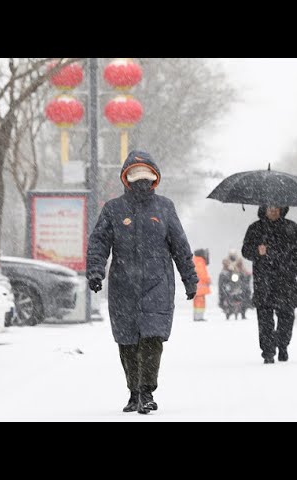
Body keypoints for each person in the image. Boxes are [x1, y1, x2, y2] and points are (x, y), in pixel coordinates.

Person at [87, 150, 198, 415]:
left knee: (152, 338)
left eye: (146, 179)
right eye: (136, 179)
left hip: (157, 283)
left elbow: (180, 246)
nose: (142, 184)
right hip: (123, 284)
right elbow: (99, 243)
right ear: (126, 180)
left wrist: (189, 278)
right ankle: (133, 391)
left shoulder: (165, 207)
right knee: (127, 340)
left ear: (154, 180)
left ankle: (147, 390)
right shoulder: (113, 209)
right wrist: (95, 271)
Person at [242, 206, 297, 364]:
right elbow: (246, 251)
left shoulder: (291, 227)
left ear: (282, 209)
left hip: (286, 280)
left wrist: (292, 270)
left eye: (277, 207)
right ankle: (268, 352)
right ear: (264, 209)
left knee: (286, 316)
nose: (274, 210)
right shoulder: (255, 228)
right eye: (270, 207)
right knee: (264, 319)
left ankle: (282, 344)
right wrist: (258, 251)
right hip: (264, 281)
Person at [192, 249, 211, 321]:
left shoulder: (195, 261)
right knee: (200, 302)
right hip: (200, 288)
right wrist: (208, 280)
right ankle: (199, 317)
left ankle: (197, 316)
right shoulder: (200, 262)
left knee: (196, 302)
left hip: (196, 287)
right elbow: (202, 275)